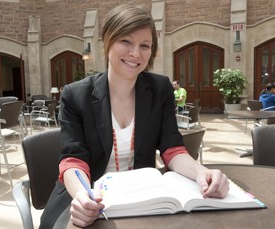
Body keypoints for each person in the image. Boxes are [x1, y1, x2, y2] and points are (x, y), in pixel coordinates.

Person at [40, 4, 229, 228]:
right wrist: (83, 196)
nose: (135, 53)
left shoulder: (160, 89)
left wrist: (202, 173)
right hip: (85, 197)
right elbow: (73, 160)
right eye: (125, 41)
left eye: (145, 45)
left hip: (140, 199)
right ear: (107, 42)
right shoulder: (75, 94)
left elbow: (172, 149)